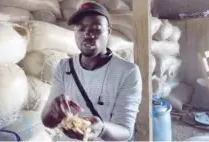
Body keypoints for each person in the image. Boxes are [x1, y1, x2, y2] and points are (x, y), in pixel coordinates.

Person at [41, 2, 142, 141]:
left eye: (96, 29)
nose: (87, 34)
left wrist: (101, 129)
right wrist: (53, 111)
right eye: (80, 28)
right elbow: (47, 122)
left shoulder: (128, 72)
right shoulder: (64, 67)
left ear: (109, 31)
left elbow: (125, 130)